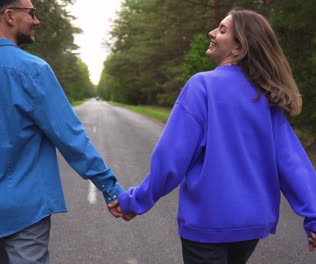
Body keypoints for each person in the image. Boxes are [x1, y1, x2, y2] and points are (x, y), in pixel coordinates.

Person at [0, 0, 127, 263]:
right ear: (9, 16)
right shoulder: (34, 71)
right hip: (27, 208)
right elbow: (71, 138)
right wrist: (110, 189)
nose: (36, 20)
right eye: (31, 13)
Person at [109, 9, 316, 264]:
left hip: (207, 225)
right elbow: (292, 162)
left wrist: (134, 201)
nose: (212, 32)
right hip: (251, 226)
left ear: (238, 47)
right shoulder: (264, 95)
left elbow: (171, 160)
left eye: (222, 29)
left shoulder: (202, 86)